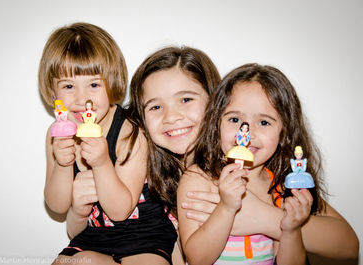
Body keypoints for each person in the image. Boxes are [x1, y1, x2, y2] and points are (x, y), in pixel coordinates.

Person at [177, 63, 358, 264]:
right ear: (216, 122)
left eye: (264, 122)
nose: (247, 133)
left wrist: (290, 230)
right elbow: (196, 258)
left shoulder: (282, 187)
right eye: (235, 119)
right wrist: (227, 208)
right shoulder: (199, 178)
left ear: (284, 133)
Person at [67, 45, 221, 265]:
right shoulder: (143, 168)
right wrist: (77, 211)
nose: (171, 116)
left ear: (215, 100)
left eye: (186, 99)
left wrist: (235, 213)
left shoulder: (235, 168)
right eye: (155, 107)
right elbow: (81, 234)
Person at [39, 22, 177, 265]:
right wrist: (62, 165)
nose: (83, 99)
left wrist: (102, 162)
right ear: (53, 90)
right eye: (68, 86)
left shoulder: (129, 131)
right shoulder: (58, 132)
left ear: (111, 82)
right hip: (93, 237)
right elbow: (57, 205)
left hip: (144, 237)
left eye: (93, 84)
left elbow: (120, 210)